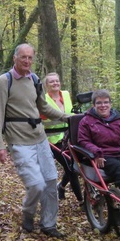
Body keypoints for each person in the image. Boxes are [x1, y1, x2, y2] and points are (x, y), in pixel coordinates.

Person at [0, 44, 70, 238]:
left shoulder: (34, 79)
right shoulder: (4, 81)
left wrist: (67, 117)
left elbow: (43, 107)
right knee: (35, 184)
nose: (27, 61)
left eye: (30, 58)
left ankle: (48, 224)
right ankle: (28, 213)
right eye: (23, 57)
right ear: (15, 58)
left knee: (51, 181)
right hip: (18, 139)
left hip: (40, 138)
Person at [42, 72, 83, 204]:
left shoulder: (65, 95)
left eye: (57, 81)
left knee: (76, 164)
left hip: (69, 136)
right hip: (52, 140)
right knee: (71, 168)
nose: (55, 83)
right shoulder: (43, 99)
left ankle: (62, 186)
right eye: (51, 81)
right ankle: (82, 201)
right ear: (46, 85)